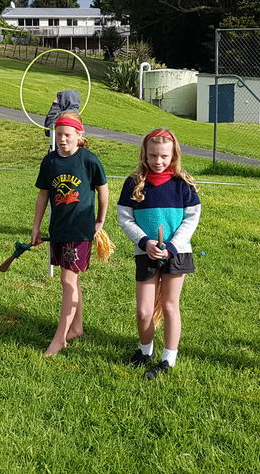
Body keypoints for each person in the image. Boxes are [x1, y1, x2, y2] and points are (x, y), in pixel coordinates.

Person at [117, 129, 200, 380]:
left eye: (164, 156)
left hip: (177, 253)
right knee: (144, 311)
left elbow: (191, 219)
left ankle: (168, 359)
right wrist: (145, 242)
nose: (158, 161)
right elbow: (125, 217)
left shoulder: (183, 184)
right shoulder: (134, 182)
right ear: (145, 154)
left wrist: (172, 246)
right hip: (146, 253)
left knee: (169, 305)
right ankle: (145, 351)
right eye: (152, 155)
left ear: (174, 155)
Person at [31, 112, 108, 356]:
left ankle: (60, 338)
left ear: (78, 134)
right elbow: (43, 195)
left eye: (67, 135)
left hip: (80, 230)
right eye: (59, 135)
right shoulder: (50, 161)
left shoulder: (88, 160)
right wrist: (36, 227)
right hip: (58, 229)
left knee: (67, 280)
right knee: (71, 280)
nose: (62, 139)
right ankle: (76, 328)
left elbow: (103, 190)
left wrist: (100, 220)